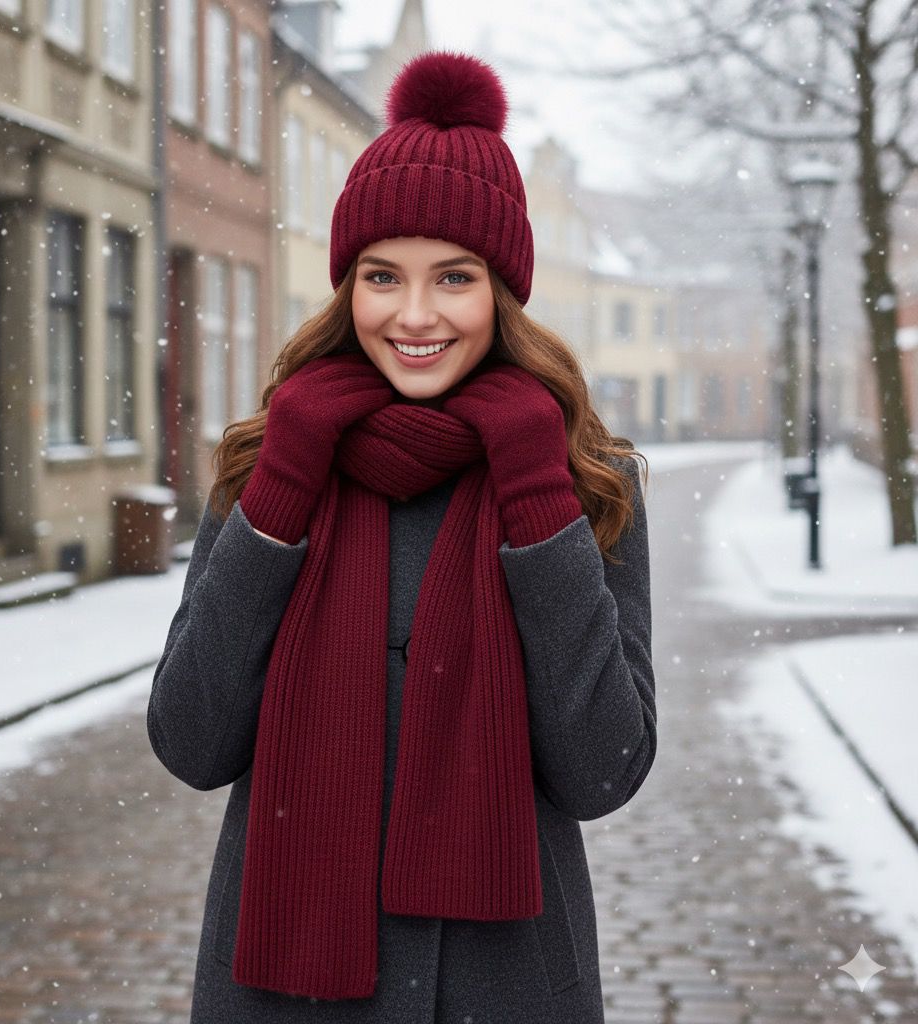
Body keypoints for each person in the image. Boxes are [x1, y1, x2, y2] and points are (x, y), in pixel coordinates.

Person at [147, 49, 657, 1024]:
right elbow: (191, 739)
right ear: (348, 288)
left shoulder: (588, 477)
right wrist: (284, 490)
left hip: (506, 989)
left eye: (453, 278)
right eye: (383, 275)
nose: (414, 315)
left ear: (501, 294)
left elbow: (602, 768)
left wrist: (536, 500)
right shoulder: (267, 461)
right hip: (282, 993)